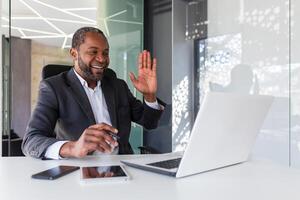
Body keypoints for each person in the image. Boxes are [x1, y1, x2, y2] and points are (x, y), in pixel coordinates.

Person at [22, 27, 164, 159]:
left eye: (105, 53)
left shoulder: (117, 85)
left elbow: (149, 122)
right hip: (80, 169)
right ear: (74, 53)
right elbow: (31, 141)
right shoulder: (54, 88)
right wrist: (73, 147)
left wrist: (149, 95)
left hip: (121, 166)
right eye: (93, 52)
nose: (102, 59)